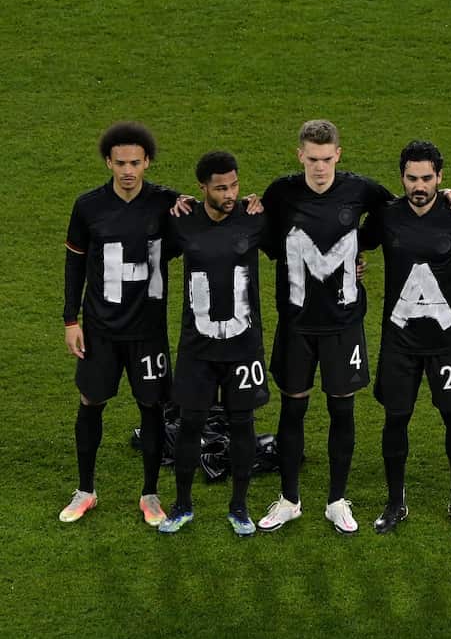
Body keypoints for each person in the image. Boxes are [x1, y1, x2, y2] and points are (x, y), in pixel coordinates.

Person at [257, 119, 395, 534]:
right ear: (300, 155)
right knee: (292, 408)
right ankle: (289, 499)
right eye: (312, 159)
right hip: (296, 324)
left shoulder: (361, 190)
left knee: (342, 409)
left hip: (343, 325)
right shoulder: (280, 193)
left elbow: (399, 213)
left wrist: (357, 250)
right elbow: (265, 242)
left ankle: (336, 500)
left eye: (326, 158)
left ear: (339, 154)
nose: (319, 167)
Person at [61, 122, 182, 526]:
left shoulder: (167, 204)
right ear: (108, 163)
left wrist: (247, 203)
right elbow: (75, 262)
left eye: (135, 162)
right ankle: (85, 490)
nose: (128, 170)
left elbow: (211, 230)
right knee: (91, 401)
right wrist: (70, 319)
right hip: (100, 328)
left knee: (151, 406)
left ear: (147, 162)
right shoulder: (88, 206)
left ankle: (150, 494)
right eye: (120, 163)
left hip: (148, 331)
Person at [359, 140, 451, 534]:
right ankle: (395, 502)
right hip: (400, 344)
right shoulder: (386, 216)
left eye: (427, 177)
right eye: (412, 178)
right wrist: (355, 264)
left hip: (448, 343)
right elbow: (356, 244)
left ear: (440, 178)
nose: (419, 185)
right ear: (402, 178)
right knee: (396, 420)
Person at [155, 151, 269, 536]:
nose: (230, 193)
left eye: (234, 185)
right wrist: (173, 200)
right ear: (202, 188)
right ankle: (182, 504)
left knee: (243, 424)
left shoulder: (255, 219)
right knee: (189, 424)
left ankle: (239, 506)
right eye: (221, 187)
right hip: (197, 347)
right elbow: (151, 250)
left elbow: (293, 248)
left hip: (243, 347)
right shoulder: (182, 222)